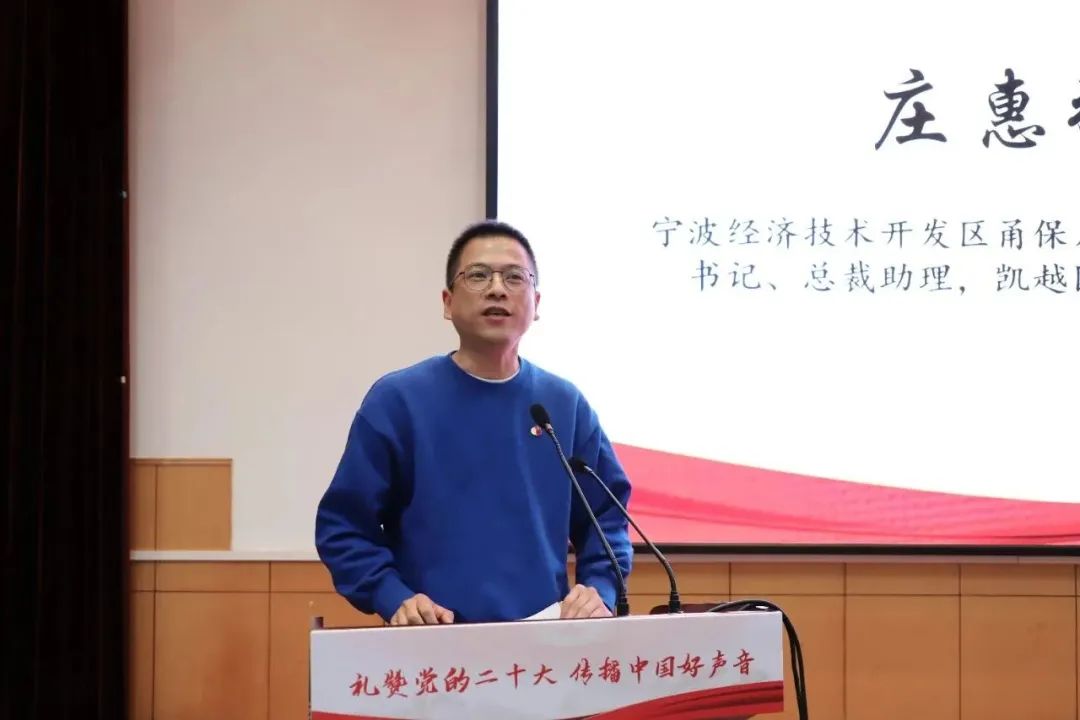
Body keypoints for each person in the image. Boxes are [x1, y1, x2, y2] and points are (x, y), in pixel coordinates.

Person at [314, 220, 633, 625]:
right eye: (479, 275)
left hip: (543, 643)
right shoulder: (398, 401)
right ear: (447, 302)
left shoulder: (563, 405)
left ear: (536, 302)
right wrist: (393, 597)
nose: (497, 289)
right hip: (430, 639)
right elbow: (344, 527)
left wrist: (599, 588)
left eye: (514, 277)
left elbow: (607, 519)